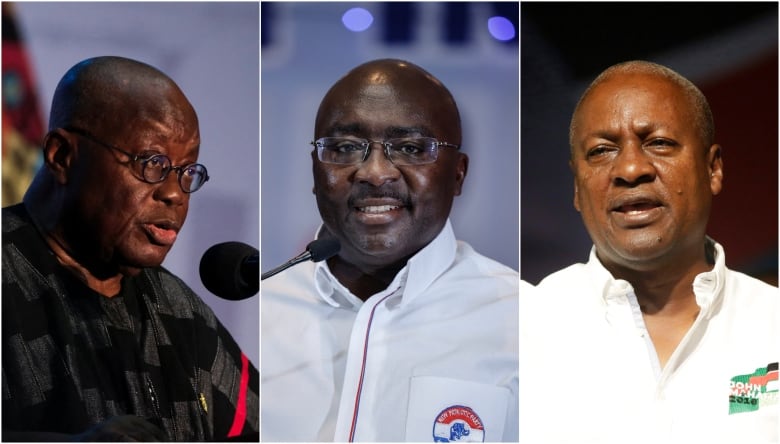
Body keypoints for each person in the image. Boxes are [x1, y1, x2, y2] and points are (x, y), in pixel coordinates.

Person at [2, 56, 258, 441]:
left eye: (187, 172)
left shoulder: (179, 310)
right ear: (61, 156)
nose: (173, 193)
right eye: (151, 163)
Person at [261, 59, 519, 442]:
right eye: (346, 147)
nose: (375, 173)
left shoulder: (521, 319)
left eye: (411, 148)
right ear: (315, 172)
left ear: (458, 174)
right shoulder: (261, 310)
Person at [522, 61, 778, 443]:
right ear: (577, 187)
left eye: (658, 143)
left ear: (713, 169)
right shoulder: (518, 335)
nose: (629, 168)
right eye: (601, 151)